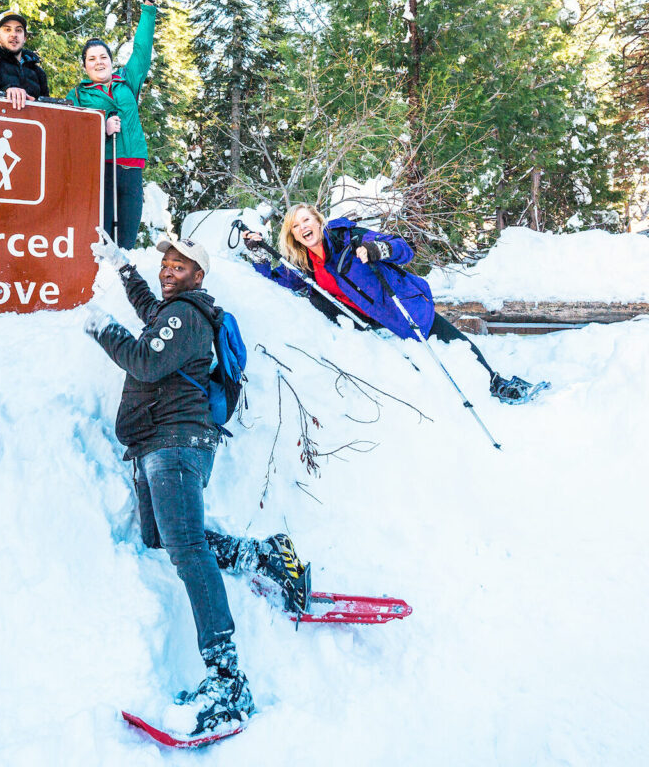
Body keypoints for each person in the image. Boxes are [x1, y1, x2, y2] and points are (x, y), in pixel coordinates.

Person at [83, 229, 309, 736]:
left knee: (186, 548)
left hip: (176, 443)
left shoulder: (187, 314)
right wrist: (122, 267)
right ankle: (264, 556)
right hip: (158, 445)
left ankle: (227, 677)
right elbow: (150, 314)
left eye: (179, 265)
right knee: (163, 539)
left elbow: (144, 359)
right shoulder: (175, 314)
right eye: (165, 263)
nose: (168, 269)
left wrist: (99, 326)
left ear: (198, 276)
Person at [242, 204, 547, 404]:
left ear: (318, 221)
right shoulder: (307, 265)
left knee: (458, 346)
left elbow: (404, 249)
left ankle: (497, 384)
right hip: (375, 327)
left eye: (306, 219)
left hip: (404, 307)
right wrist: (257, 252)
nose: (303, 227)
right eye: (296, 226)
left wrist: (378, 249)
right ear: (293, 235)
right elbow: (277, 279)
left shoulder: (350, 237)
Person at [67, 0, 158, 249]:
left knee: (126, 241)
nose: (99, 63)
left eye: (103, 57)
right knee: (103, 239)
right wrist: (101, 128)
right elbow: (71, 134)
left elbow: (142, 51)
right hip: (101, 171)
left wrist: (148, 10)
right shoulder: (77, 95)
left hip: (132, 169)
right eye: (91, 59)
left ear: (110, 61)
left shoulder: (126, 82)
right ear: (85, 66)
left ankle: (124, 287)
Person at [0, 10, 49, 110]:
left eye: (18, 30)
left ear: (25, 38)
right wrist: (7, 91)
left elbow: (47, 107)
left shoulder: (38, 72)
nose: (14, 34)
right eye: (7, 30)